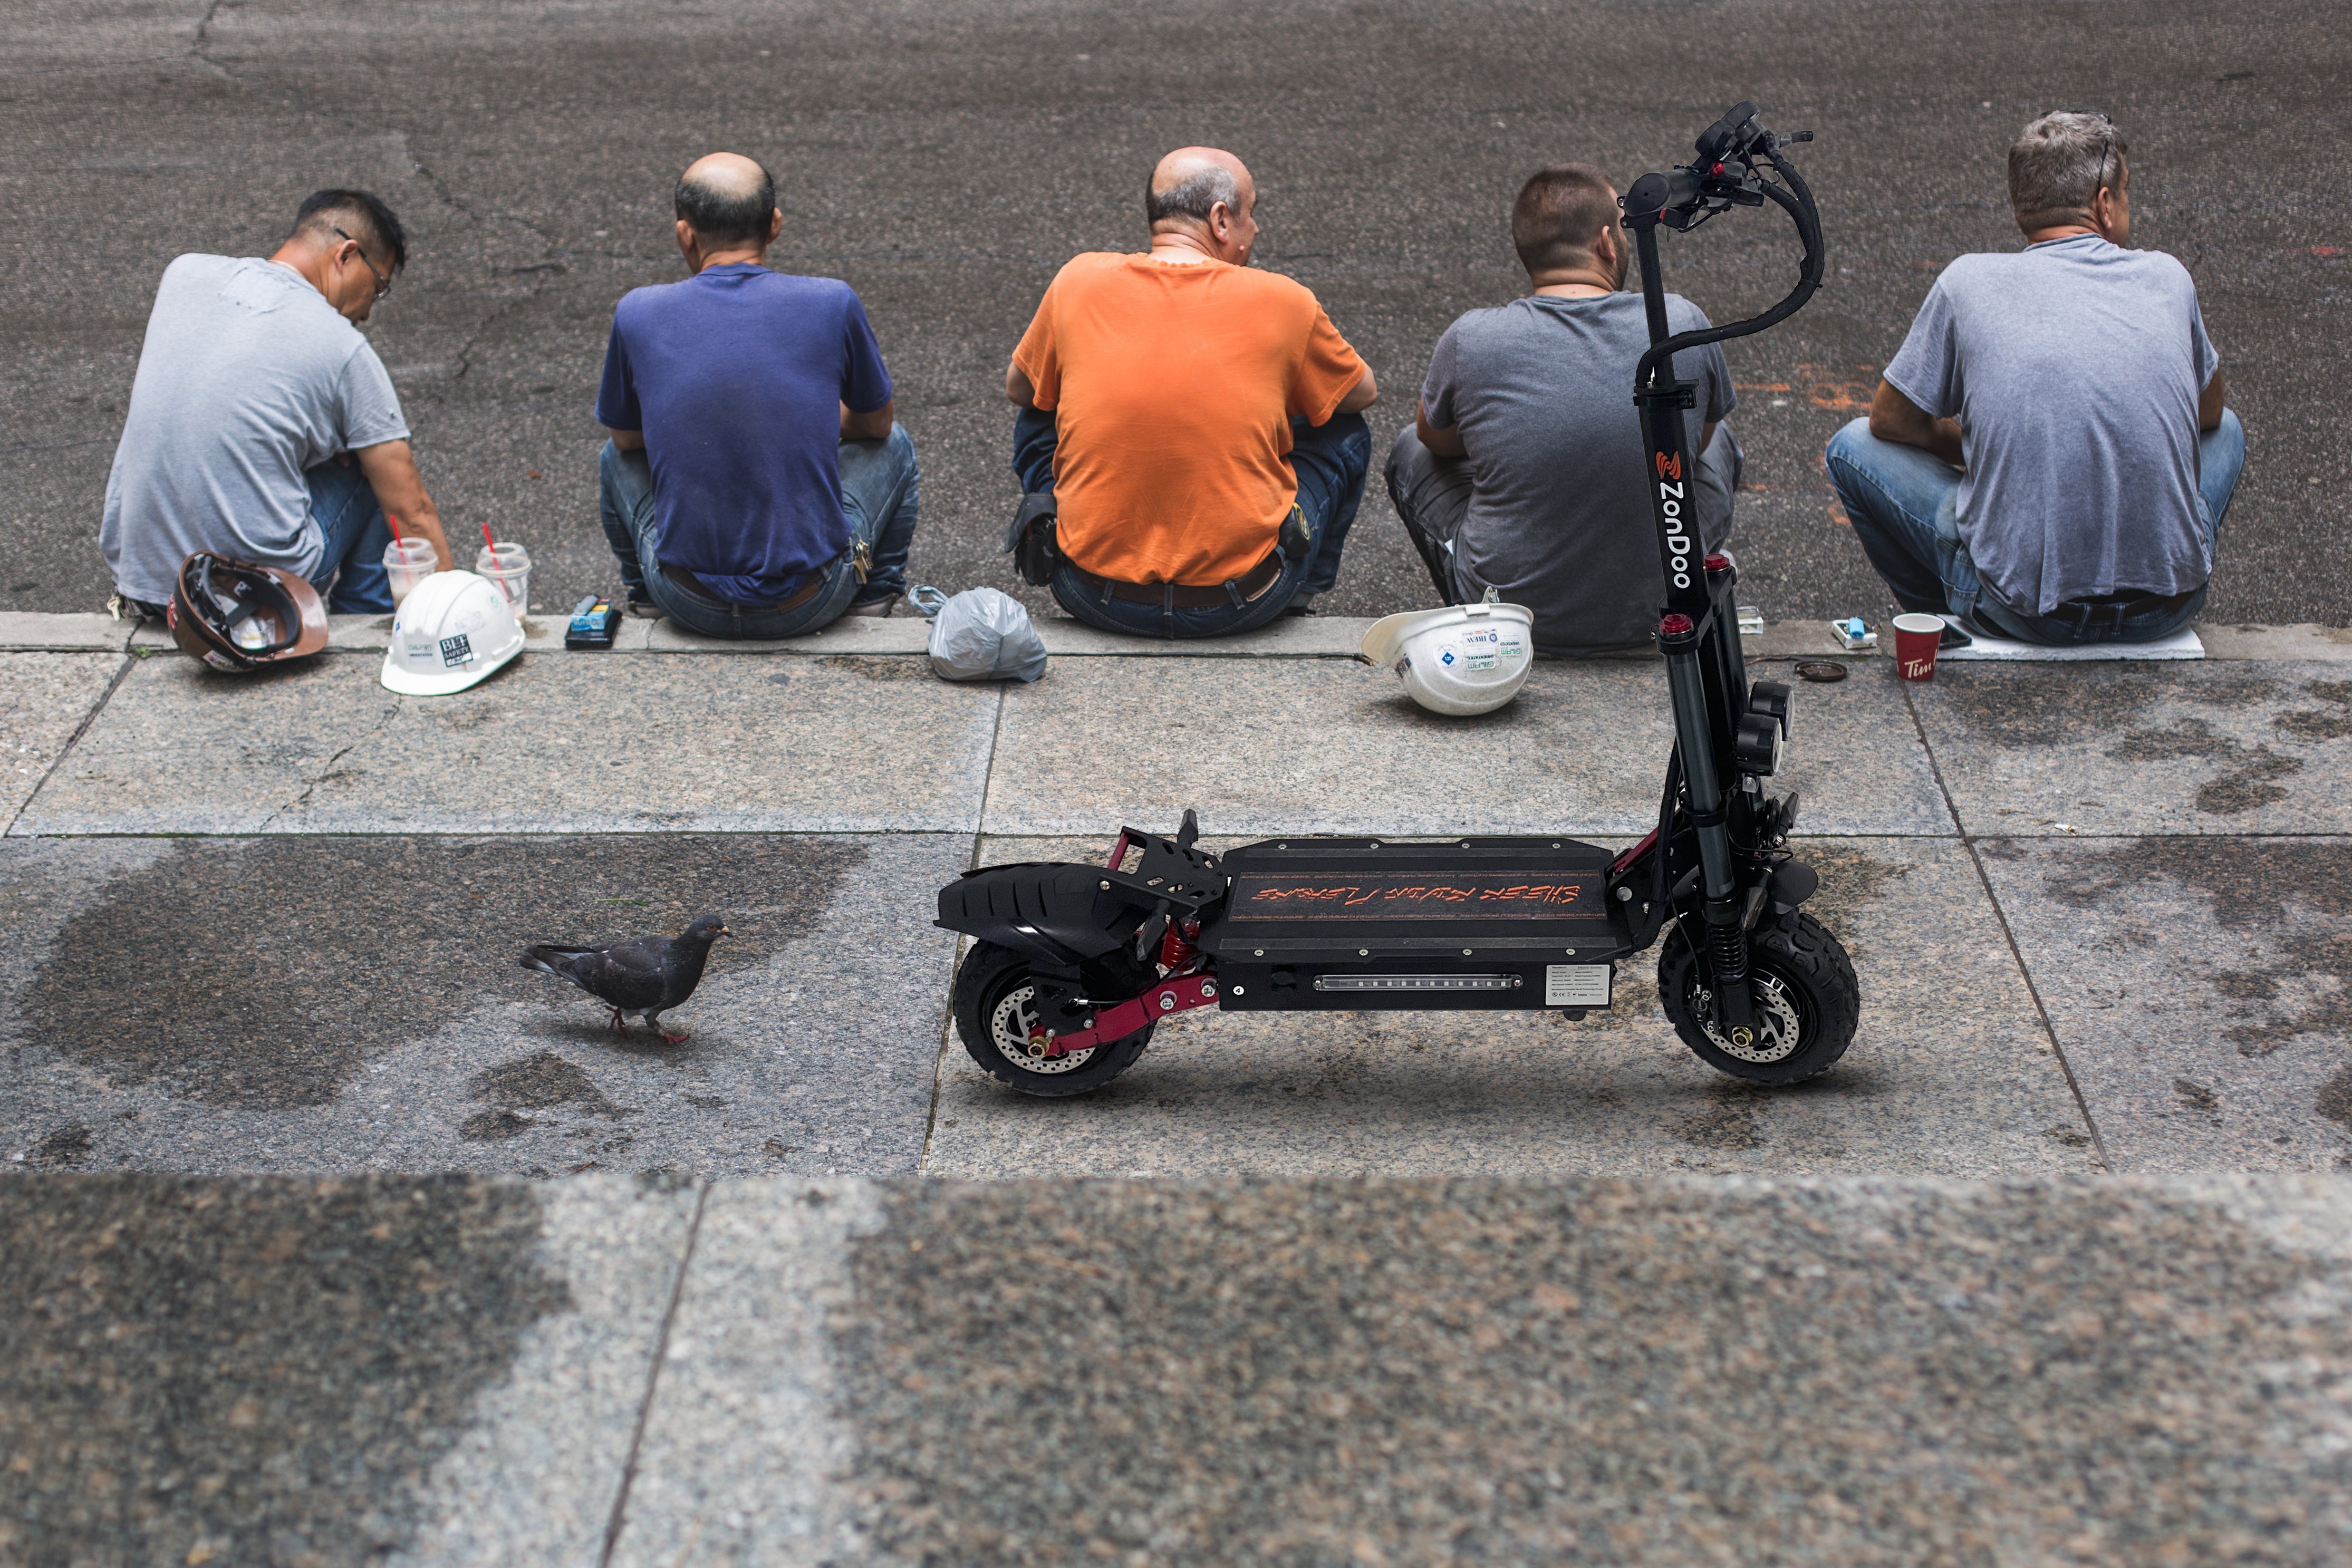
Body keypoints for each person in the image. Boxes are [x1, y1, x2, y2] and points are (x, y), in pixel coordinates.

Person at [1825, 112, 2243, 645]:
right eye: (2125, 193)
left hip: (2029, 616)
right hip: (2164, 609)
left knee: (1851, 445)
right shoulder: (2167, 277)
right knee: (2227, 431)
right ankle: (2157, 566)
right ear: (2102, 203)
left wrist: (1983, 448)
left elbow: (1888, 421)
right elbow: (2208, 416)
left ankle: (1953, 622)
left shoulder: (1967, 283)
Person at [1006, 147, 1376, 638]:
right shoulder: (1284, 300)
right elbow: (1360, 393)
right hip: (1244, 601)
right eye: (1253, 212)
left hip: (1092, 595)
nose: (1257, 230)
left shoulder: (1078, 279)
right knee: (1341, 427)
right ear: (1222, 220)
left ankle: (1063, 535)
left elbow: (1019, 388)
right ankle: (1301, 587)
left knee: (1039, 406)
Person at [1385, 163, 1738, 656]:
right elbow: (1692, 445)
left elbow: (1436, 443)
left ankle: (1479, 616)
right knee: (1715, 436)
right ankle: (1686, 586)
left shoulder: (1471, 337)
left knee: (1408, 447)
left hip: (1518, 620)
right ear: (1607, 243)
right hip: (1661, 614)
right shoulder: (1678, 319)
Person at [597, 153, 918, 636]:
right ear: (775, 225)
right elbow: (877, 426)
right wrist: (807, 418)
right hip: (812, 601)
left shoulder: (637, 312)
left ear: (685, 233)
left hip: (686, 601)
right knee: (898, 447)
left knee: (612, 457)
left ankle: (645, 597)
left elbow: (626, 440)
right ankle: (872, 594)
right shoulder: (832, 301)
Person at [101, 190, 454, 618]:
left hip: (149, 585)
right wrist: (459, 615)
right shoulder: (343, 347)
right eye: (377, 288)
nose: (367, 314)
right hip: (250, 598)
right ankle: (368, 624)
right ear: (347, 254)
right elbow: (411, 512)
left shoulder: (184, 274)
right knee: (377, 470)